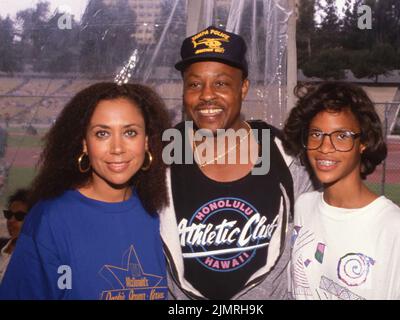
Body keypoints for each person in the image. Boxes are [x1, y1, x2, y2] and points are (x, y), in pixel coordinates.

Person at [160, 25, 313, 299]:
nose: (207, 95)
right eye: (195, 84)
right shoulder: (165, 153)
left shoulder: (280, 153)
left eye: (221, 83)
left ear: (243, 88)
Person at [0, 83, 170, 300]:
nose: (117, 148)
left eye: (130, 132)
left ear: (146, 141)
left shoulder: (159, 211)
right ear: (84, 144)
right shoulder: (51, 218)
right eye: (102, 133)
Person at [283, 82, 400, 299]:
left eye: (341, 136)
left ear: (363, 142)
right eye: (316, 134)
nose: (325, 147)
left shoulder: (399, 230)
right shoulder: (303, 207)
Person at [0, 189, 30, 283]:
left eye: (19, 216)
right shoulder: (2, 244)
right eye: (9, 215)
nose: (11, 220)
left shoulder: (33, 258)